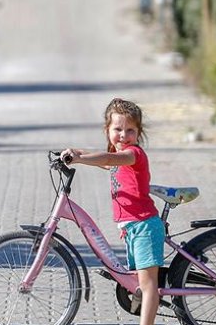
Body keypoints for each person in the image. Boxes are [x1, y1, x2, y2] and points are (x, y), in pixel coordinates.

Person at [60, 98, 163, 325]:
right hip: (132, 227)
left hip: (145, 225)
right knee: (138, 282)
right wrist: (76, 151)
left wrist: (78, 159)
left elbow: (107, 158)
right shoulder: (118, 157)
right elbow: (104, 159)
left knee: (147, 286)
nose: (123, 135)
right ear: (107, 130)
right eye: (117, 129)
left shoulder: (133, 154)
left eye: (130, 130)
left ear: (139, 133)